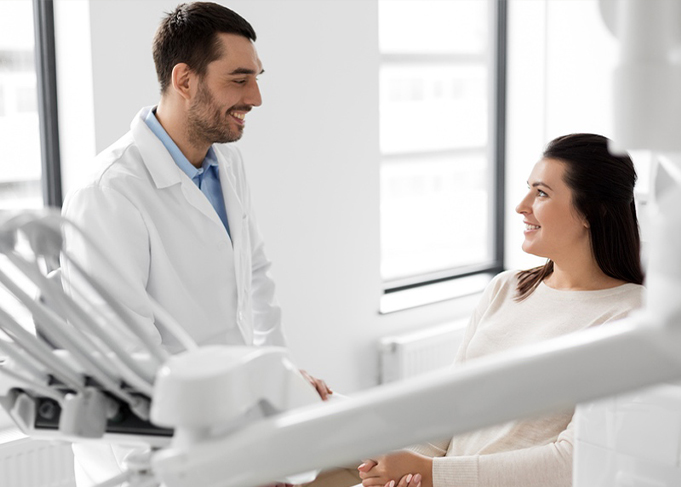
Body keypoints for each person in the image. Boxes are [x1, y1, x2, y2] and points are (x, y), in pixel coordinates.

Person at [61, 3, 329, 485]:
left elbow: (256, 279)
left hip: (231, 429)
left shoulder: (226, 165)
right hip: (158, 458)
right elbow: (123, 366)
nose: (257, 97)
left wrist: (281, 382)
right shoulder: (110, 192)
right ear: (185, 80)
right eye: (239, 79)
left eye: (257, 77)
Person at [357, 133, 645, 487]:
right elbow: (450, 403)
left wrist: (434, 474)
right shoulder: (507, 288)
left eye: (541, 193)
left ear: (592, 211)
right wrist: (401, 468)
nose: (522, 205)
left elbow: (574, 460)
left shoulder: (630, 316)